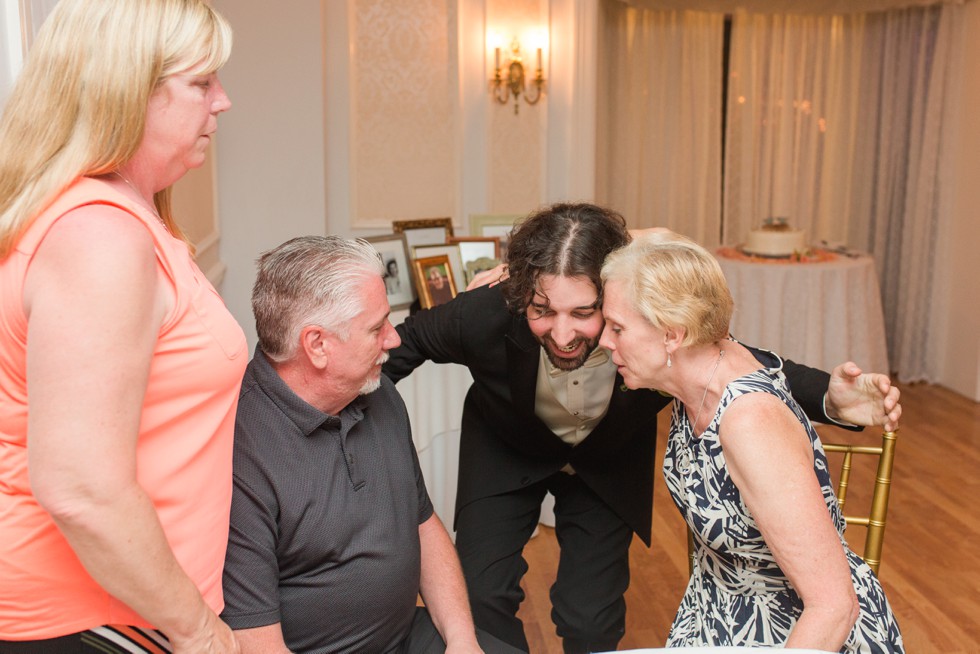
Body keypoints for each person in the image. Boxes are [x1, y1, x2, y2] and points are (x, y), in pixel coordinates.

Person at [383, 203, 901, 653]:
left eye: (588, 314)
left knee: (590, 615)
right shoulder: (487, 311)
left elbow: (737, 358)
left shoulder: (656, 339)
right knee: (480, 591)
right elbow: (397, 348)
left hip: (605, 462)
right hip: (508, 449)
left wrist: (831, 398)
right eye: (543, 311)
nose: (562, 334)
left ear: (613, 297)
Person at [0, 0, 244, 651]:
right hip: (91, 620)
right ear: (128, 89)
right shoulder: (98, 238)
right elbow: (81, 487)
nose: (222, 101)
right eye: (200, 82)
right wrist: (199, 632)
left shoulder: (113, 217)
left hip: (121, 611)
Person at [599, 230, 904, 652]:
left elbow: (834, 607)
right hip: (717, 613)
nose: (603, 341)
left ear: (672, 334)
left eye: (616, 327)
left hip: (795, 634)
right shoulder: (695, 371)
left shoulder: (749, 422)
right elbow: (663, 245)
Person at [220, 236, 520, 654]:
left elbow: (423, 523)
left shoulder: (377, 394)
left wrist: (461, 639)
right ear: (317, 345)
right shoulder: (240, 451)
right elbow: (257, 643)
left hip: (405, 637)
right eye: (377, 327)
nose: (394, 340)